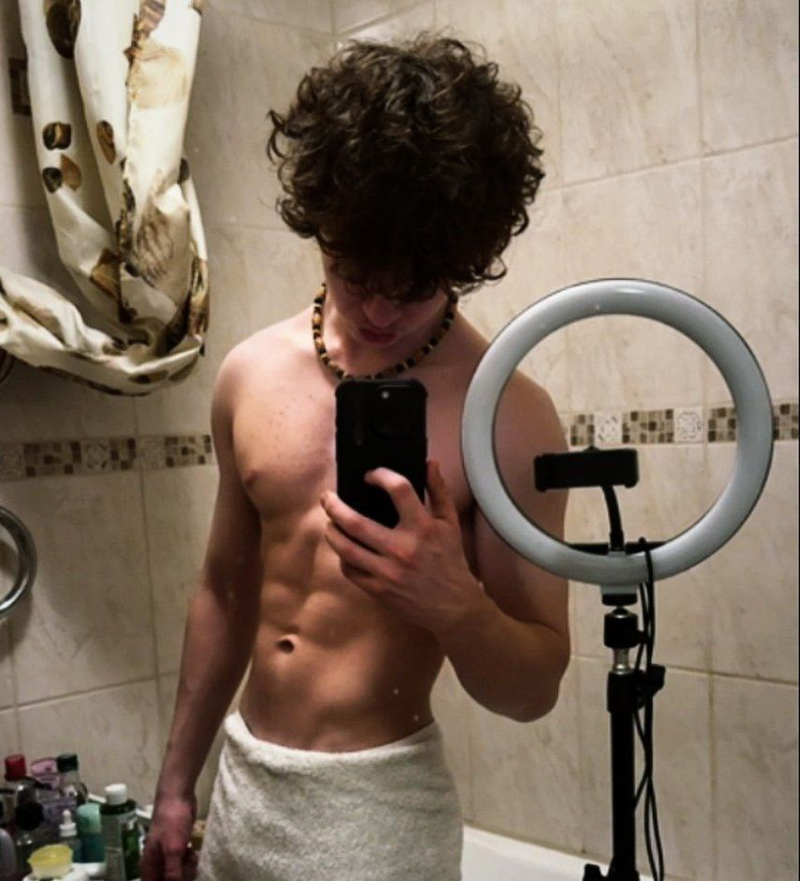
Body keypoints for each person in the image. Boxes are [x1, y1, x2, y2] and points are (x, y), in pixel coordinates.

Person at [140, 30, 570, 881]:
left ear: (465, 258)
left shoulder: (507, 414)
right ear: (323, 223)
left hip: (381, 815)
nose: (378, 311)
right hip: (244, 790)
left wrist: (455, 604)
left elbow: (533, 689)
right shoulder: (248, 375)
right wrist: (177, 784)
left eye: (414, 287)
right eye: (355, 272)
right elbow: (225, 589)